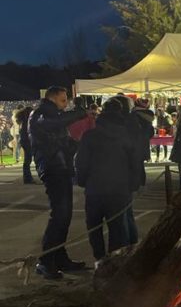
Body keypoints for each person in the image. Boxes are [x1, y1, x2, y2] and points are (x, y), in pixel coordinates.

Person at [29, 86, 87, 279]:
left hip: (61, 168)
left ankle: (59, 258)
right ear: (52, 99)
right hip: (52, 169)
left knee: (65, 215)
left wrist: (78, 143)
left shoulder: (52, 116)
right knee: (60, 215)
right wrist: (77, 115)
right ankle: (45, 262)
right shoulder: (40, 114)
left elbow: (63, 142)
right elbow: (53, 125)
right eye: (63, 100)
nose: (66, 104)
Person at [75, 99, 137, 266]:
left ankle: (100, 260)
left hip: (95, 188)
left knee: (94, 227)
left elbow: (81, 162)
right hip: (119, 189)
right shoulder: (127, 135)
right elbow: (135, 162)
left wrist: (82, 181)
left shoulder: (90, 136)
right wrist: (133, 184)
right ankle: (115, 262)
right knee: (118, 227)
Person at [14, 105, 34, 183]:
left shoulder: (23, 121)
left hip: (24, 141)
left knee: (27, 160)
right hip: (27, 141)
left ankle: (27, 177)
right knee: (27, 160)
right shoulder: (27, 121)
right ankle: (27, 178)